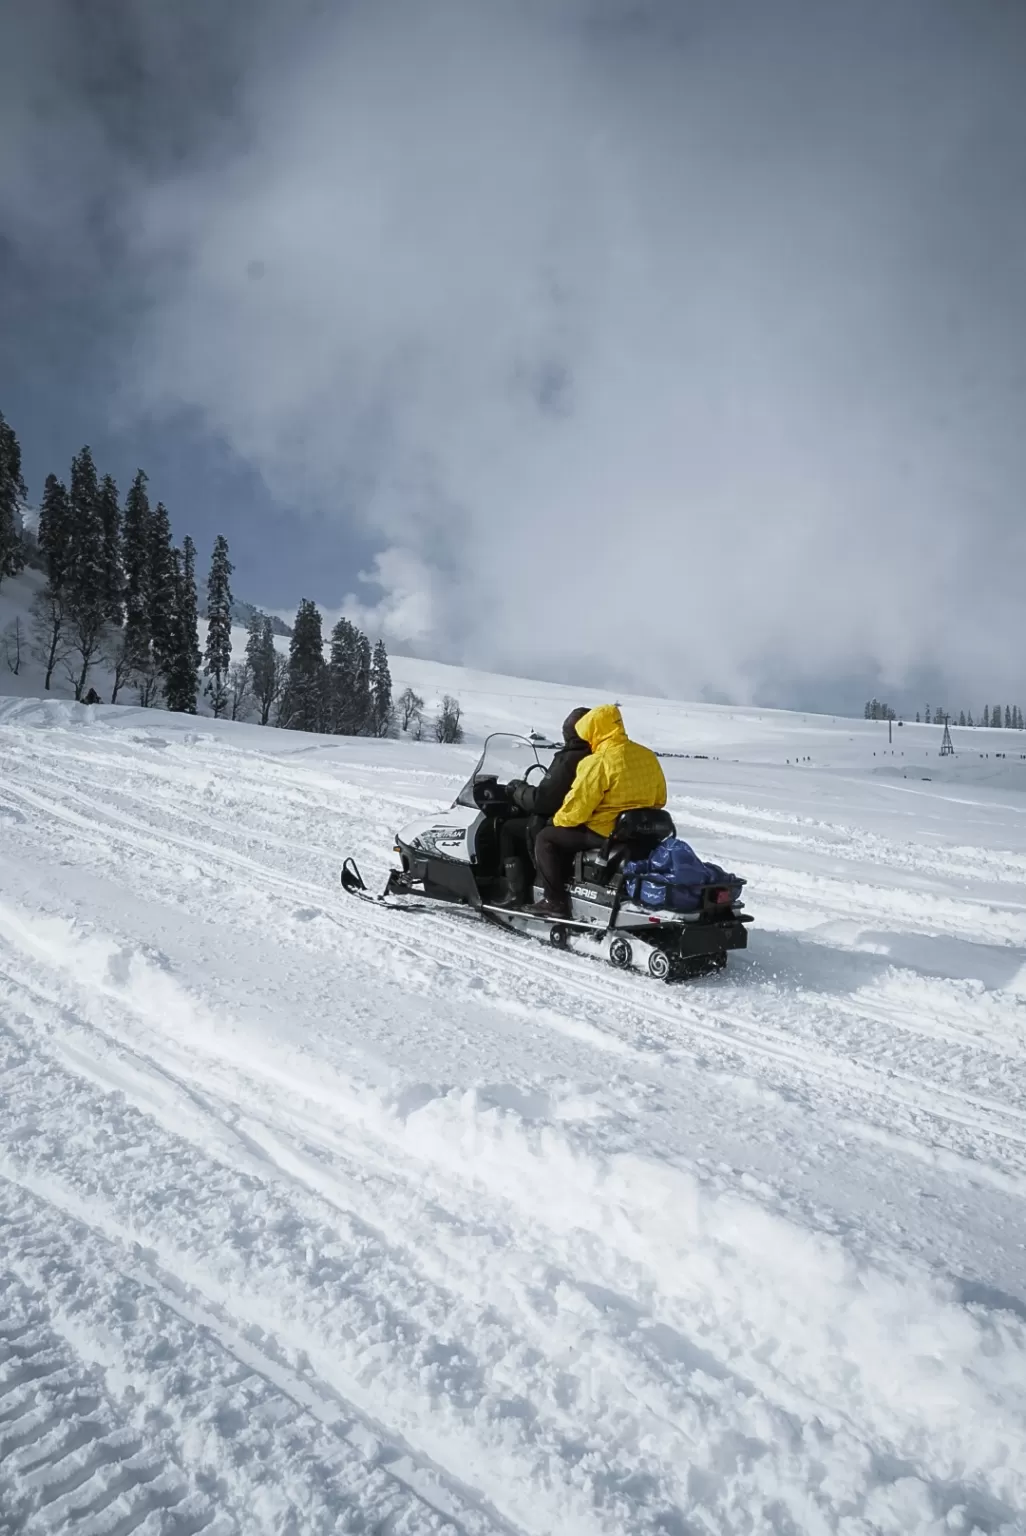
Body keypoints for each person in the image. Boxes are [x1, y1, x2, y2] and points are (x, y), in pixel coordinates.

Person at [530, 703, 667, 917]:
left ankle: (554, 901)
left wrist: (554, 821)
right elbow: (660, 800)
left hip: (605, 834)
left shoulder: (598, 762)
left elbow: (576, 811)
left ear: (595, 730)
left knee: (545, 837)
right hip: (641, 834)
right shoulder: (648, 756)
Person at [496, 707, 591, 906]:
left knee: (509, 829)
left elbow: (543, 800)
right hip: (587, 822)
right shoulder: (596, 755)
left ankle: (517, 892)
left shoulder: (570, 758)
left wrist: (518, 790)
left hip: (563, 821)